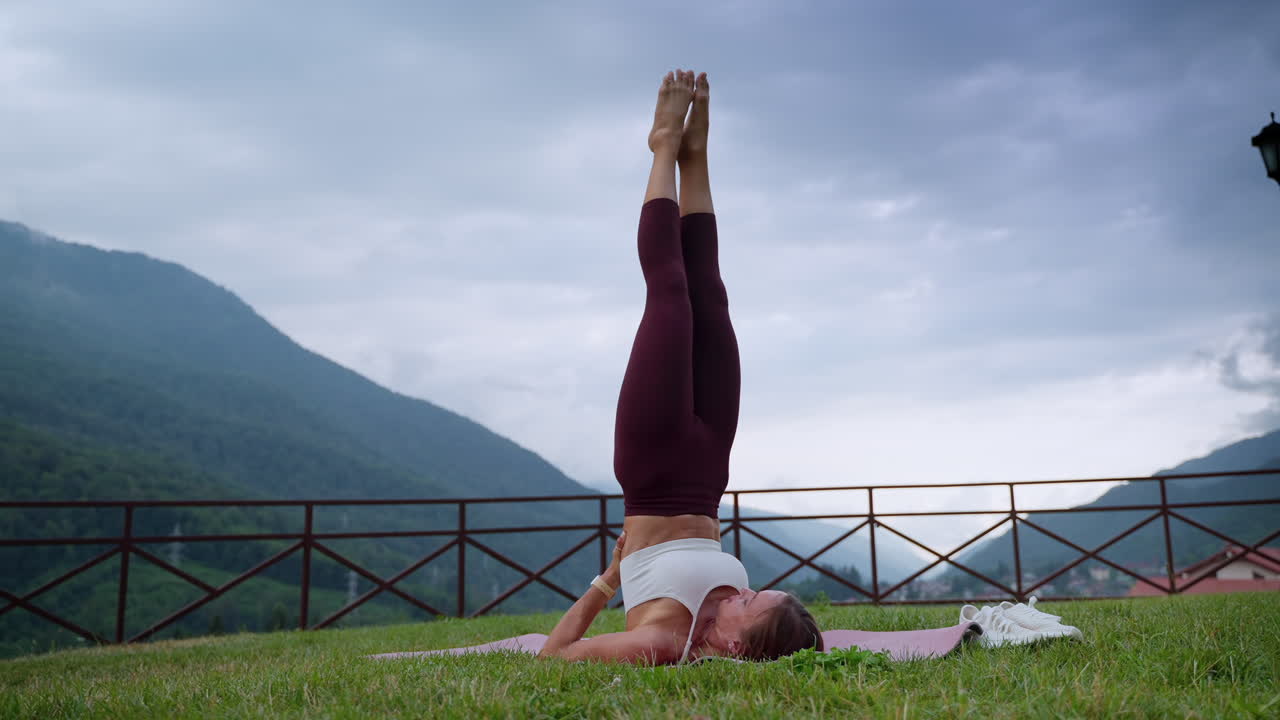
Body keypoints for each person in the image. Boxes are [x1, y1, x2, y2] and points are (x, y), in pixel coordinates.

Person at [538, 69, 822, 665]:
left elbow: (554, 657)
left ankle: (663, 146)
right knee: (710, 294)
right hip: (709, 471)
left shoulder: (659, 643)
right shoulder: (737, 616)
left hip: (654, 465)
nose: (742, 590)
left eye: (748, 601)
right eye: (755, 589)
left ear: (733, 640)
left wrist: (608, 580)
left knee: (669, 293)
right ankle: (697, 159)